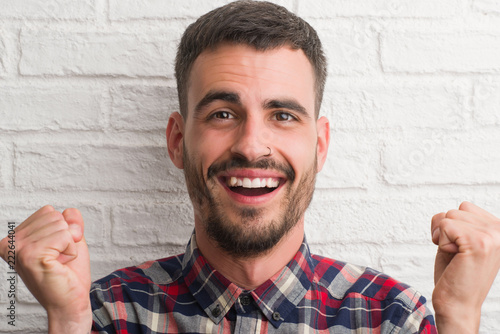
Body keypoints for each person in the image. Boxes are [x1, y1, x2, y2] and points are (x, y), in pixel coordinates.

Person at [1, 1, 500, 333]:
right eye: (223, 113)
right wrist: (66, 321)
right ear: (177, 140)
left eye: (283, 115)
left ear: (320, 145)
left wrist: (459, 317)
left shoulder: (393, 318)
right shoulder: (105, 314)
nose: (252, 144)